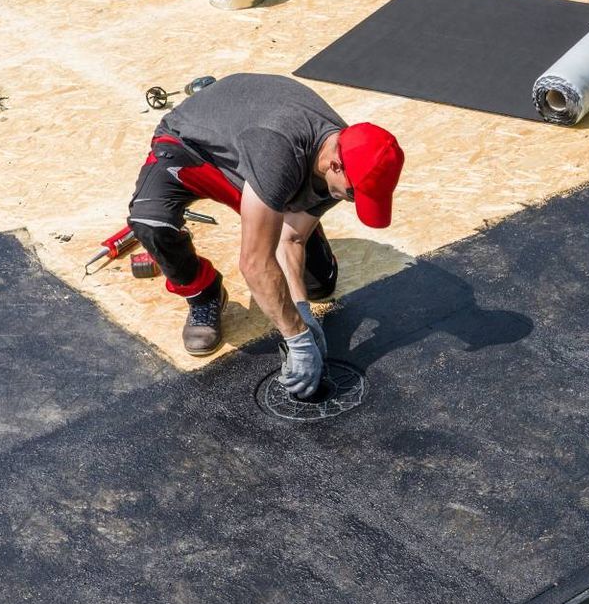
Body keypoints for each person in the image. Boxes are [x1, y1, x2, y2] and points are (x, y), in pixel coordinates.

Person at [123, 73, 404, 397]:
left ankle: (276, 218)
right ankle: (202, 291)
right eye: (355, 194)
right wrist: (296, 338)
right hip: (191, 149)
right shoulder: (282, 149)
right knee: (150, 222)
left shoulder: (345, 157)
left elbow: (291, 239)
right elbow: (255, 263)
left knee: (319, 285)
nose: (352, 200)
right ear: (334, 165)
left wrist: (300, 309)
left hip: (256, 165)